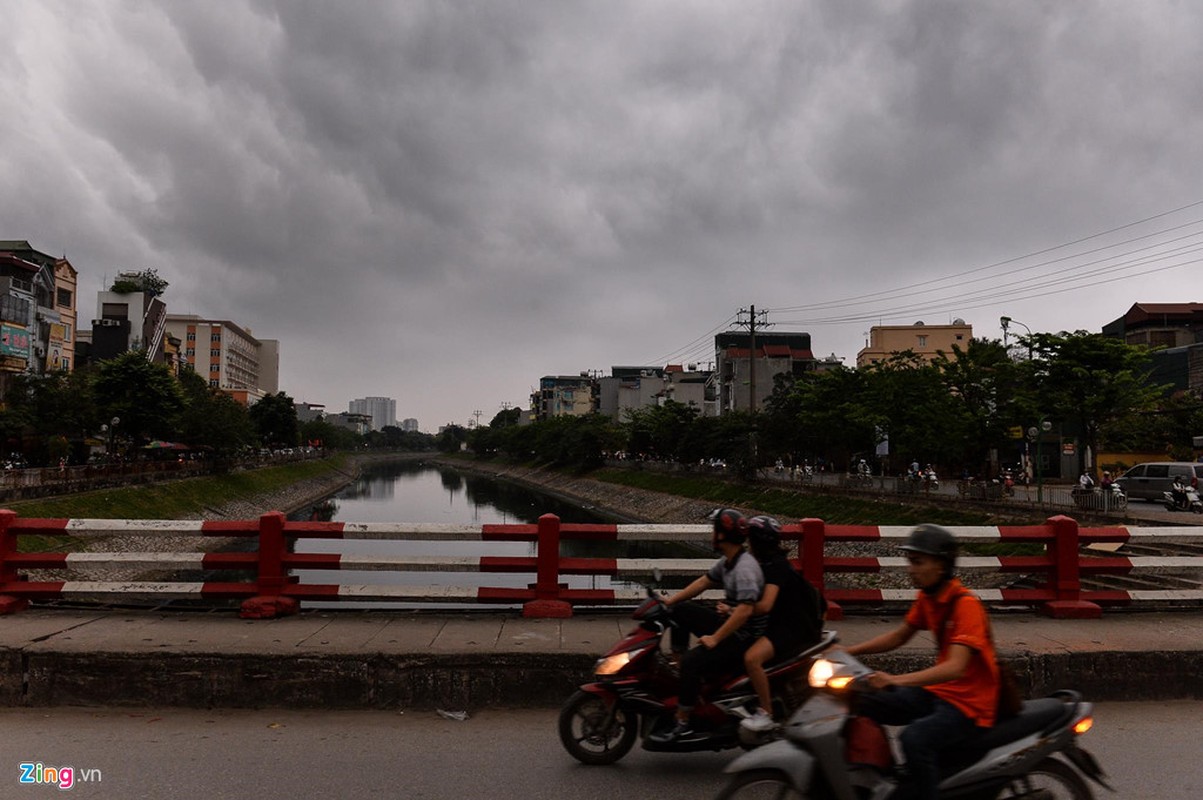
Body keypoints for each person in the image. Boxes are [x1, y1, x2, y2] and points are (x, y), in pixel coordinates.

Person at [842, 525, 1000, 800]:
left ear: (940, 565)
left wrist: (894, 679)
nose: (911, 570)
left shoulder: (966, 606)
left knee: (914, 739)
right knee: (861, 701)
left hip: (969, 704)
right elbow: (899, 636)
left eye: (917, 562)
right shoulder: (928, 598)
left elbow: (956, 667)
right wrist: (848, 651)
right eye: (910, 562)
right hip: (942, 693)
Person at [651, 508, 766, 743]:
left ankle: (683, 721)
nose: (712, 535)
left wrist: (715, 638)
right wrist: (670, 601)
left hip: (743, 638)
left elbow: (744, 611)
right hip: (730, 625)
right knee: (680, 611)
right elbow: (704, 581)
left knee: (695, 661)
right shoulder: (729, 562)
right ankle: (679, 661)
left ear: (722, 535)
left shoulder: (744, 568)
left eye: (715, 531)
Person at [739, 515, 825, 732]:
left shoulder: (776, 566)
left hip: (792, 628)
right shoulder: (765, 563)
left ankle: (765, 713)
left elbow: (766, 604)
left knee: (752, 659)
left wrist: (737, 610)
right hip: (780, 623)